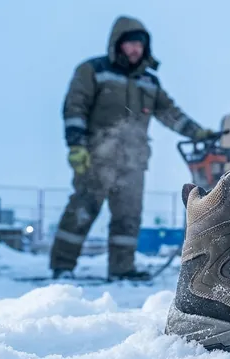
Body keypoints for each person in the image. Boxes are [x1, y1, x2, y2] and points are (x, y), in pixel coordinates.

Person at [49, 15, 215, 281]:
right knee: (82, 211)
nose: (136, 49)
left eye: (140, 44)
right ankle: (62, 266)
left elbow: (170, 113)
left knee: (128, 216)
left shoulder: (149, 81)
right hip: (96, 157)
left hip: (133, 161)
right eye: (130, 44)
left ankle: (121, 269)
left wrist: (198, 132)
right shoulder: (93, 71)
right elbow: (75, 108)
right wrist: (76, 146)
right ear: (117, 44)